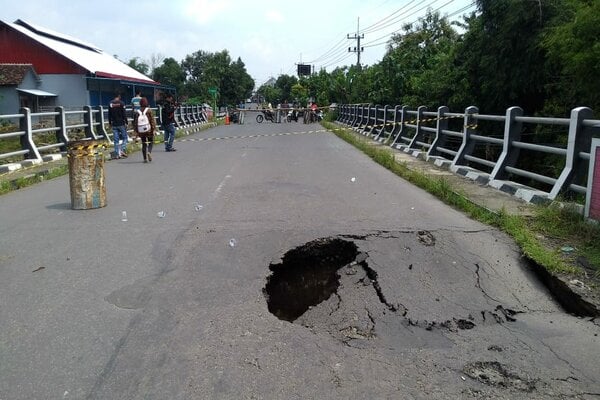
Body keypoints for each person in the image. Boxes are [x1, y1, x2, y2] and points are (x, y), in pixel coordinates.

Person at [133, 97, 156, 163]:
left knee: (144, 144)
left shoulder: (138, 112)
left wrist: (136, 132)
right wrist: (154, 129)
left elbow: (135, 123)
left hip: (141, 131)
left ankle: (145, 159)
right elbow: (152, 121)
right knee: (150, 142)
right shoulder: (149, 110)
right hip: (149, 130)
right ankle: (149, 152)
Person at [108, 93, 128, 158]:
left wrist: (110, 123)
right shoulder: (122, 103)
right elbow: (124, 114)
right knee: (125, 138)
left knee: (116, 140)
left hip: (114, 124)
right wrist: (126, 122)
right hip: (121, 123)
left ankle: (117, 154)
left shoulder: (110, 104)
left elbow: (109, 114)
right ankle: (122, 149)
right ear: (119, 96)